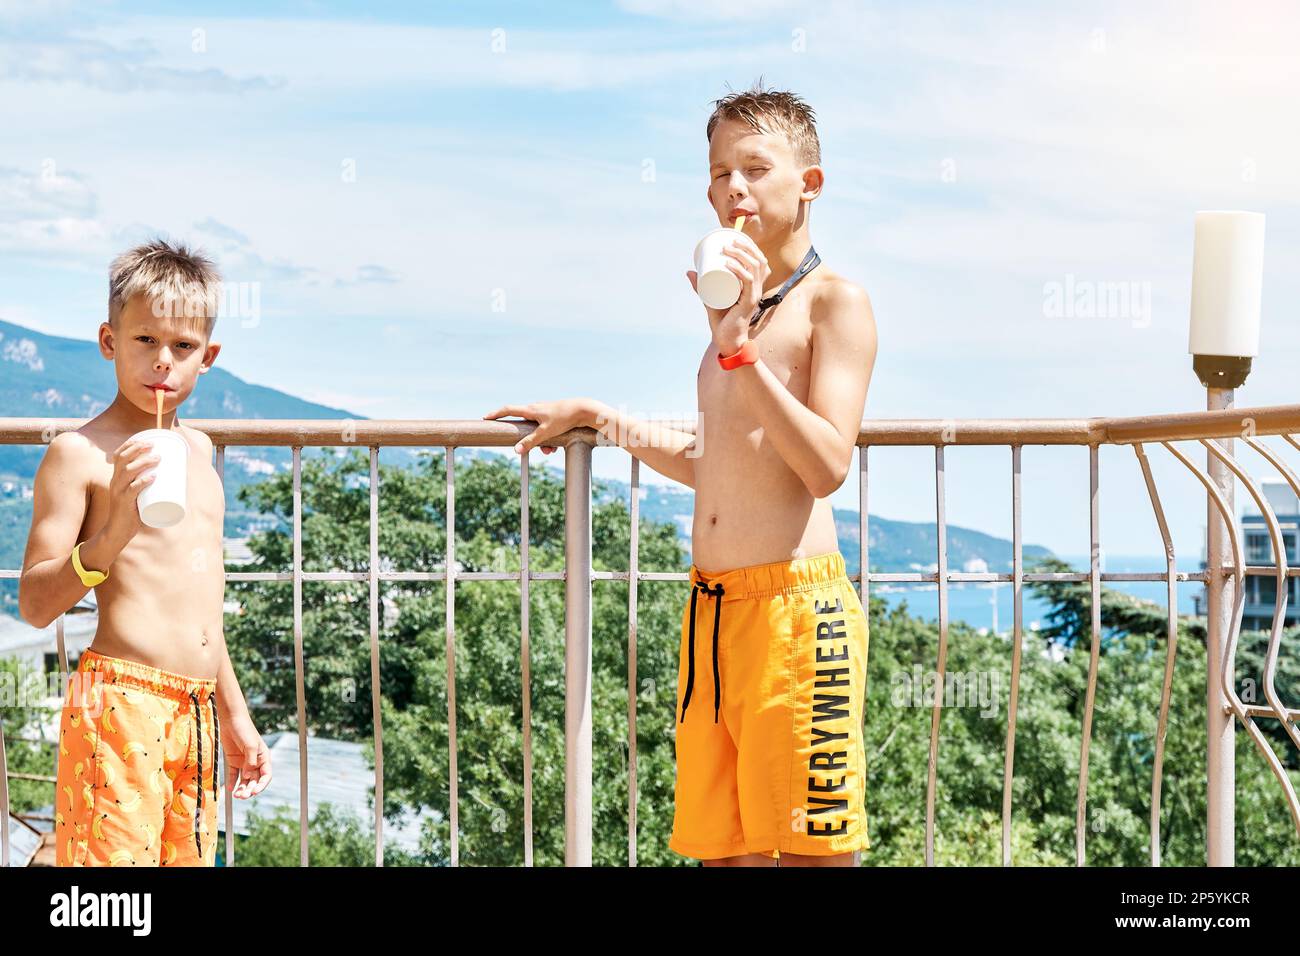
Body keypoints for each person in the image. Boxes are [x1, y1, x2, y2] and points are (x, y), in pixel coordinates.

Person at [485, 84, 878, 866]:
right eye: (718, 172)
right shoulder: (741, 312)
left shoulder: (836, 303)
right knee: (720, 853)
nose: (733, 187)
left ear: (811, 184)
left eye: (756, 168)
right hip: (711, 611)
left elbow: (828, 463)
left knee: (810, 855)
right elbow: (725, 463)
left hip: (797, 619)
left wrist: (740, 355)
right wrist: (603, 419)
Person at [19, 239, 272, 866]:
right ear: (109, 341)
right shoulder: (79, 454)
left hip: (198, 709)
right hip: (118, 703)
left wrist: (235, 715)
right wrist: (112, 537)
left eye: (182, 347)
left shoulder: (200, 452)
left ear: (207, 357)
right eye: (144, 340)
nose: (163, 361)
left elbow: (201, 612)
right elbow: (33, 603)